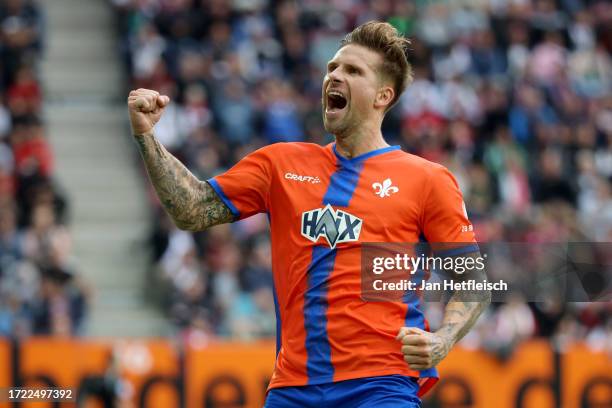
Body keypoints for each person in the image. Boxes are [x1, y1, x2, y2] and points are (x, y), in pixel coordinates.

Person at [127, 21, 490, 408]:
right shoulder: (280, 164)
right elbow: (191, 209)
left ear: (383, 95)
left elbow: (473, 282)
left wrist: (443, 340)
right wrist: (147, 136)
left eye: (352, 71)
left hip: (381, 385)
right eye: (333, 68)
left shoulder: (427, 179)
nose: (334, 75)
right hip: (292, 388)